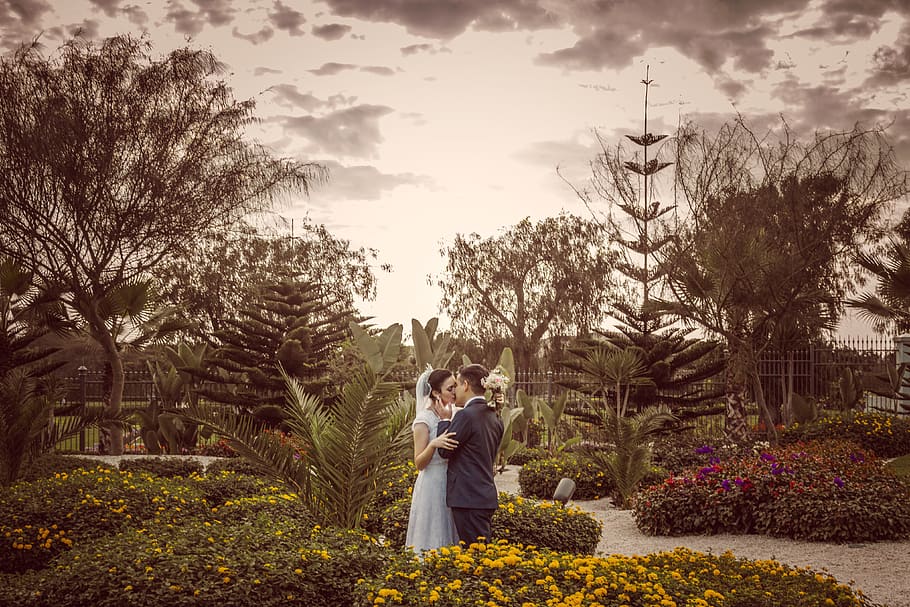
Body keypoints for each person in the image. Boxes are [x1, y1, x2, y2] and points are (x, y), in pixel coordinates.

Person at [436, 363, 504, 545]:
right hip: (484, 496)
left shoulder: (466, 415)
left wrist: (444, 421)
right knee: (480, 550)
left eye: (457, 385)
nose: (455, 391)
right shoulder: (495, 415)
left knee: (475, 554)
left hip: (468, 498)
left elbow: (444, 450)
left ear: (465, 385)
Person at [404, 366, 460, 554]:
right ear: (436, 393)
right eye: (450, 388)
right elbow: (419, 463)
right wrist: (432, 445)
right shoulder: (423, 420)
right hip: (432, 482)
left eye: (455, 386)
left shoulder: (450, 413)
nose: (455, 392)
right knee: (434, 528)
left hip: (450, 480)